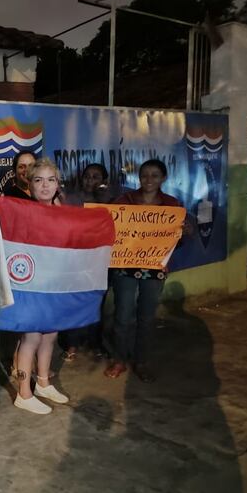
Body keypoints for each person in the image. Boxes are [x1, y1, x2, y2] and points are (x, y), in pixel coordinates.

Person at [105, 159, 183, 383]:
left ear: (163, 178)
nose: (149, 180)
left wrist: (183, 231)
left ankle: (141, 361)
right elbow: (110, 228)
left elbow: (176, 239)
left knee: (147, 317)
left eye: (155, 175)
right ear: (138, 178)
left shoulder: (171, 205)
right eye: (145, 175)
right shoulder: (124, 201)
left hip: (154, 269)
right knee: (122, 315)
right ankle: (119, 359)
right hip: (125, 266)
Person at [11, 159, 70, 414]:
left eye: (50, 180)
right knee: (31, 338)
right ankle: (23, 393)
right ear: (29, 184)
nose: (45, 186)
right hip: (31, 287)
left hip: (54, 285)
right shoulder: (20, 211)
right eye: (38, 180)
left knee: (50, 335)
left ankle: (43, 382)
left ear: (58, 184)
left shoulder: (63, 213)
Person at [60, 163, 112, 361]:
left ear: (104, 181)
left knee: (96, 304)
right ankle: (71, 344)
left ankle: (95, 342)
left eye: (96, 177)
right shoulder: (71, 199)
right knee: (73, 303)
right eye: (87, 176)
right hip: (75, 261)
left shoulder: (111, 202)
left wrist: (103, 199)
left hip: (99, 262)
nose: (91, 180)